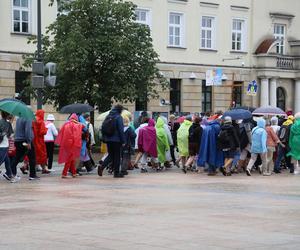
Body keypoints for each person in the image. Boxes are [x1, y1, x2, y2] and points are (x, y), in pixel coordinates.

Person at [100, 105, 125, 178]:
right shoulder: (118, 117)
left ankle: (102, 167)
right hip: (116, 140)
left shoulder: (108, 116)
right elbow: (121, 130)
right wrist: (123, 141)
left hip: (108, 140)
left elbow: (103, 127)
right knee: (117, 156)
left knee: (110, 155)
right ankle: (116, 173)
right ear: (120, 110)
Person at [55, 114, 83, 178]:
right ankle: (64, 173)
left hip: (65, 143)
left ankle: (74, 173)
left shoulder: (65, 124)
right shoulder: (75, 124)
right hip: (72, 143)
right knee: (69, 158)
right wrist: (77, 122)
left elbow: (61, 133)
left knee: (71, 157)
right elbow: (82, 127)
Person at [0, 111, 16, 182]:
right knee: (1, 160)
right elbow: (10, 135)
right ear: (7, 115)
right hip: (4, 145)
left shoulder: (0, 122)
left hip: (1, 144)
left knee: (7, 161)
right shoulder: (8, 123)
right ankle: (10, 175)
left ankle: (9, 175)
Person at [32, 109, 50, 174]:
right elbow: (42, 132)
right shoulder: (41, 121)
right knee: (42, 154)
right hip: (40, 140)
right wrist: (46, 129)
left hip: (33, 139)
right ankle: (44, 169)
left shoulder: (33, 120)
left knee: (34, 154)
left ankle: (29, 168)